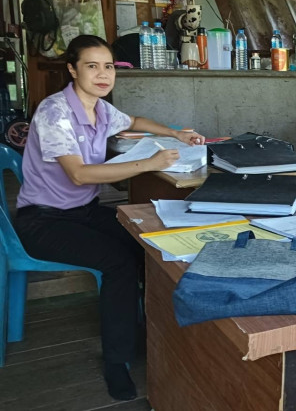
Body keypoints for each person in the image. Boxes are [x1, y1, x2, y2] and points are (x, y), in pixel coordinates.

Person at [14, 35, 205, 401]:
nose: (103, 75)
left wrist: (174, 133)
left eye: (108, 67)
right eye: (92, 66)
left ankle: (140, 331)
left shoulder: (101, 109)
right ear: (72, 70)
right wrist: (147, 163)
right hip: (43, 221)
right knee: (118, 262)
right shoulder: (55, 112)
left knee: (145, 245)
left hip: (82, 212)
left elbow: (135, 120)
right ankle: (117, 361)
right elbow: (79, 175)